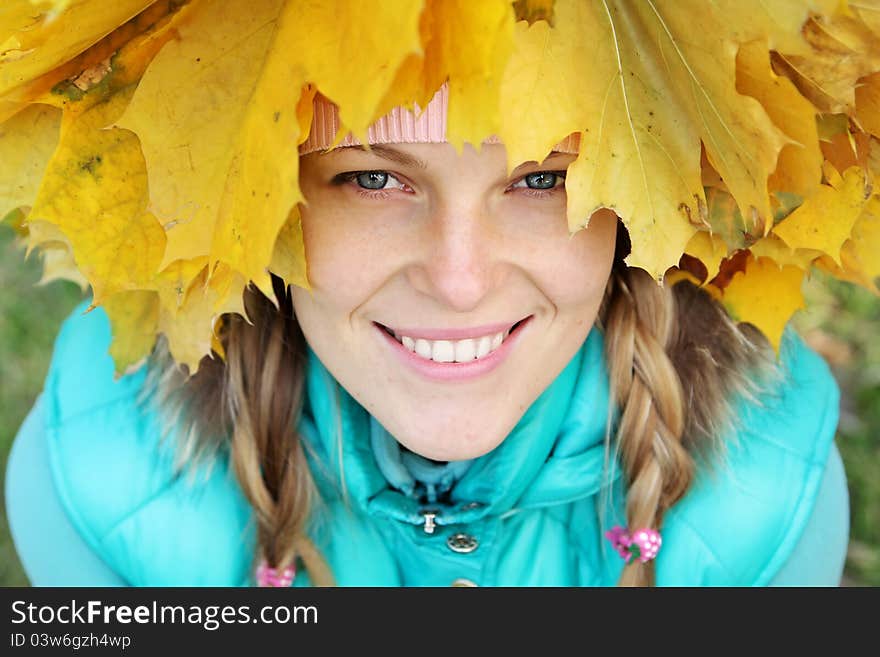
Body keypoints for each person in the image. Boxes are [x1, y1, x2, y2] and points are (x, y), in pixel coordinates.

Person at [1, 2, 861, 587]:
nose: (459, 281)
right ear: (247, 197)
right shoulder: (103, 490)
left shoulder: (767, 499)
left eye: (540, 180)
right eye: (373, 177)